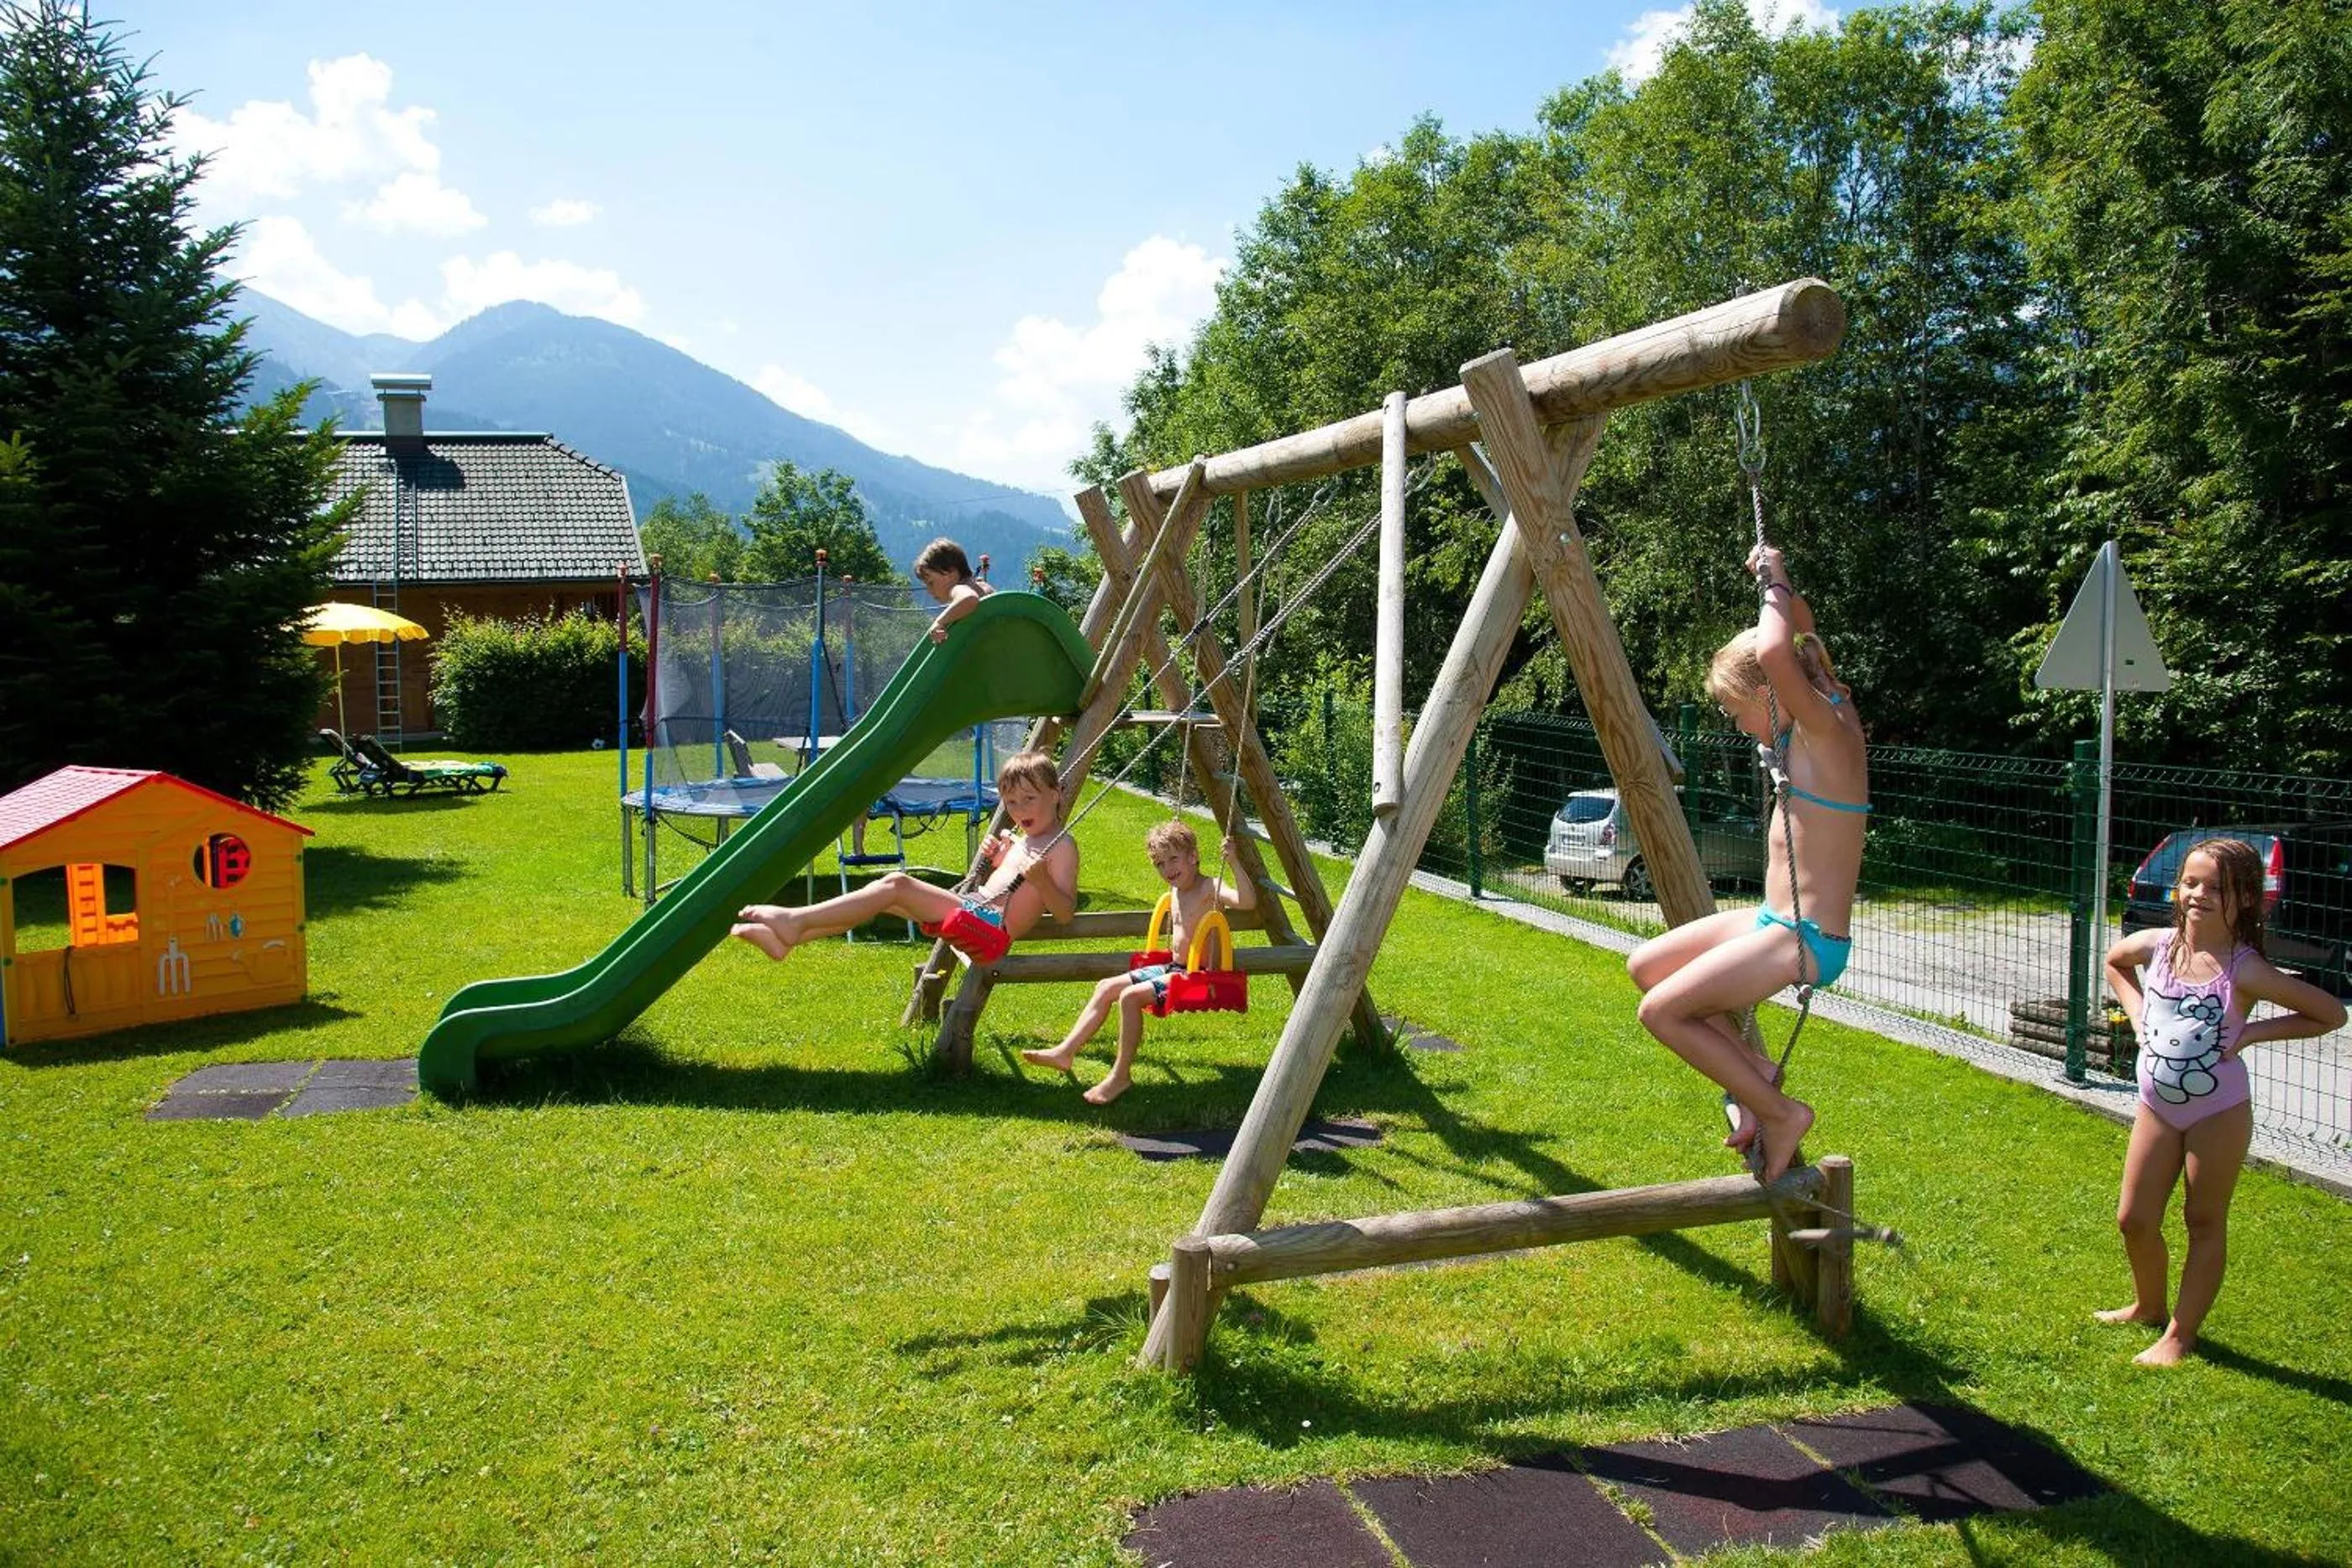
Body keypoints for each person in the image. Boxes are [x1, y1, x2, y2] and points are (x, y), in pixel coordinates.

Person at [1625, 543, 1869, 1183]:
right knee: (1645, 968)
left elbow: (1774, 650)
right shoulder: (1813, 716)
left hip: (1806, 939)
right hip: (1772, 919)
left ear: (1771, 691)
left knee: (1663, 1014)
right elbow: (1800, 634)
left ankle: (1781, 1111)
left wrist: (1777, 579)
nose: (1739, 727)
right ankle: (1756, 1073)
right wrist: (1777, 589)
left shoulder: (1826, 730)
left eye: (1737, 712)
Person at [2097, 837, 2344, 1365]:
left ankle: (2180, 1337)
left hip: (2218, 1111)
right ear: (2177, 887)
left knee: (2203, 1219)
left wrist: (2252, 1035)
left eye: (2217, 887)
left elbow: (2329, 1013)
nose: (2199, 894)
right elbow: (2116, 962)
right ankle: (2147, 1305)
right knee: (2134, 1218)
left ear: (2247, 899)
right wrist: (2139, 1015)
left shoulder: (2244, 969)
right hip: (2156, 1104)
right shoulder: (2159, 946)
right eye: (2191, 882)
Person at [730, 750, 1077, 962]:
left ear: (1056, 793)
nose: (1019, 811)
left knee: (896, 883)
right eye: (1012, 803)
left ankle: (795, 921)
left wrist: (1042, 880)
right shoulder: (1024, 840)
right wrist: (1001, 859)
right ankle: (789, 941)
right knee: (881, 897)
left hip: (990, 929)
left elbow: (1064, 913)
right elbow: (1011, 885)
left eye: (1029, 799)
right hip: (977, 908)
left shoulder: (1061, 847)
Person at [1020, 821, 1255, 1105]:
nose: (1167, 869)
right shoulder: (1176, 890)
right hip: (1176, 969)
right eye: (1159, 864)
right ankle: (1065, 1052)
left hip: (1201, 978)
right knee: (1107, 987)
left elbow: (1247, 901)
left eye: (1173, 860)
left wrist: (1233, 862)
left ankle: (1120, 1076)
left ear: (1193, 857)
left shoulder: (1210, 887)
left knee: (1130, 997)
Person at [916, 538, 993, 643]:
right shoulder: (982, 586)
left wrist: (939, 622)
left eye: (931, 583)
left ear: (951, 573)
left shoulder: (958, 588)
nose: (929, 591)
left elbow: (969, 599)